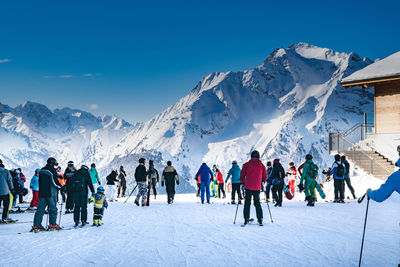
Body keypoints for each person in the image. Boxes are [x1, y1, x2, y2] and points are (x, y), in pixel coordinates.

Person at [32, 157, 61, 231]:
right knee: (53, 209)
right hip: (50, 192)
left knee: (40, 209)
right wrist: (60, 187)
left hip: (41, 192)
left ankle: (37, 225)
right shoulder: (52, 170)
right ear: (53, 163)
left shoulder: (42, 170)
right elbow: (54, 182)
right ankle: (52, 224)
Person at [240, 150, 267, 226]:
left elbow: (242, 175)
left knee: (247, 203)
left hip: (248, 186)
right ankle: (260, 219)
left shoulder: (246, 165)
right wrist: (263, 181)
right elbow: (265, 175)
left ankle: (246, 219)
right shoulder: (262, 165)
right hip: (257, 187)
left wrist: (242, 181)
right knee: (257, 203)